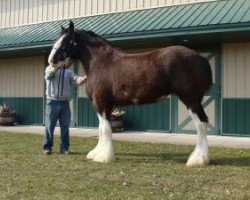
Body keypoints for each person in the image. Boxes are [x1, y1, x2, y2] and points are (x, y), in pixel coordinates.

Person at [43, 64, 86, 155]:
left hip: (65, 103)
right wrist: (56, 66)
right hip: (52, 102)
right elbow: (49, 75)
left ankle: (64, 148)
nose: (65, 62)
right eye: (62, 60)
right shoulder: (49, 68)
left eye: (65, 60)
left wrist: (82, 79)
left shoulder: (69, 72)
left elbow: (76, 79)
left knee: (65, 127)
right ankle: (47, 148)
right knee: (49, 126)